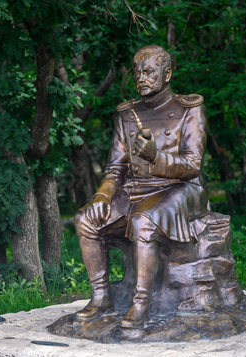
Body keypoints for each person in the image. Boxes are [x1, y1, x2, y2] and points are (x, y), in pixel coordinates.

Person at [74, 45, 210, 328]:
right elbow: (115, 168)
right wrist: (102, 195)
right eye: (137, 72)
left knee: (142, 221)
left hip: (179, 188)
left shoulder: (190, 110)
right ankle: (101, 298)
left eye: (149, 72)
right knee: (86, 219)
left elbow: (193, 165)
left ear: (167, 73)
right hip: (135, 190)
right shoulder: (127, 114)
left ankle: (141, 303)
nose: (141, 78)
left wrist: (155, 156)